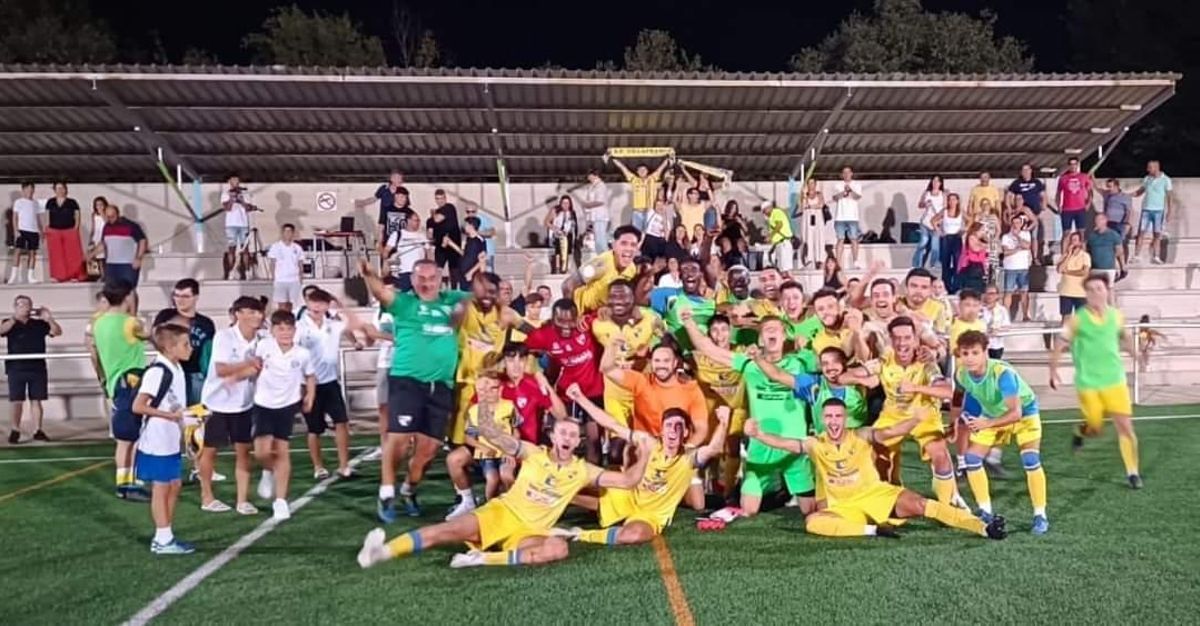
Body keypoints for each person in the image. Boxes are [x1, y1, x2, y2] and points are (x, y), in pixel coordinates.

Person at [356, 415, 652, 570]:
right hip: (501, 514)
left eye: (573, 435)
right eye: (562, 432)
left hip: (530, 531)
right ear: (552, 436)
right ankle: (382, 552)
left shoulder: (583, 470)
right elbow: (498, 437)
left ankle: (482, 560)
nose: (568, 438)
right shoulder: (533, 453)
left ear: (578, 442)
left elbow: (627, 481)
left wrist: (647, 453)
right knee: (443, 532)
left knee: (558, 549)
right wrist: (485, 411)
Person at [742, 400, 1007, 540]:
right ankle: (872, 531)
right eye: (829, 417)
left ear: (845, 419)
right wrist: (760, 434)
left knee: (922, 503)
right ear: (823, 419)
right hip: (845, 508)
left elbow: (891, 431)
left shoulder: (861, 435)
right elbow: (786, 443)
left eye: (838, 416)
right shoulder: (815, 443)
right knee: (813, 523)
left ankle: (982, 527)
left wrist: (915, 418)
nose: (834, 421)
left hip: (878, 495)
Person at [360, 258, 472, 522]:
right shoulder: (405, 303)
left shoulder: (453, 298)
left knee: (429, 450)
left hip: (442, 386)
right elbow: (380, 291)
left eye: (431, 278)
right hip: (407, 381)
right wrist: (369, 274)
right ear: (412, 280)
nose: (426, 283)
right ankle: (386, 493)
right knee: (398, 439)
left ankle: (409, 490)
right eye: (421, 278)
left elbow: (482, 293)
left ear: (440, 278)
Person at [683, 311, 818, 517]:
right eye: (766, 330)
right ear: (760, 339)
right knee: (748, 511)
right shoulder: (748, 364)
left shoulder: (800, 362)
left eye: (776, 329)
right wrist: (688, 322)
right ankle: (773, 494)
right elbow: (707, 348)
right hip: (760, 446)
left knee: (811, 512)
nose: (771, 333)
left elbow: (831, 364)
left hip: (794, 447)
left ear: (784, 336)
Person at [559, 390, 729, 545]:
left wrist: (723, 422)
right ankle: (556, 500)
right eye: (669, 425)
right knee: (576, 483)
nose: (673, 431)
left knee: (634, 535)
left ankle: (578, 534)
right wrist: (580, 398)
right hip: (628, 495)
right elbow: (612, 425)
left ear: (685, 433)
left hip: (649, 515)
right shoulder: (649, 442)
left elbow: (714, 448)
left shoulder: (688, 457)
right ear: (661, 430)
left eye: (679, 427)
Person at [1049, 274, 1143, 489]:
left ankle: (1132, 472)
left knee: (1126, 427)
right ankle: (1079, 431)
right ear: (1086, 294)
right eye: (1090, 290)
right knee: (1095, 427)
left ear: (1107, 290)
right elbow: (1059, 344)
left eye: (1099, 288)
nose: (1095, 293)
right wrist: (1053, 371)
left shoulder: (1116, 316)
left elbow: (1125, 336)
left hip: (1115, 380)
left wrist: (1136, 353)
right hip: (1088, 382)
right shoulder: (1077, 319)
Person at [951, 330, 1048, 534]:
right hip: (992, 415)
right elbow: (958, 396)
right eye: (965, 353)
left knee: (1030, 459)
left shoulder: (1002, 374)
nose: (969, 358)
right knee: (971, 458)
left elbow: (1015, 413)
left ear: (986, 352)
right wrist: (955, 420)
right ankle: (985, 512)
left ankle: (1040, 515)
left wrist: (986, 424)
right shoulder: (960, 373)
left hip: (1024, 414)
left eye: (975, 353)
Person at [861, 316, 959, 507]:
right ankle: (891, 495)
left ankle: (948, 503)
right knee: (876, 451)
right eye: (897, 338)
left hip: (924, 413)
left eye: (907, 338)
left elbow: (948, 389)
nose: (901, 342)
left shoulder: (925, 361)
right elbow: (862, 370)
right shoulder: (884, 357)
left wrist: (917, 385)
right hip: (892, 412)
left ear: (915, 339)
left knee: (939, 452)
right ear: (890, 338)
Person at [196, 296, 266, 515]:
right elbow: (221, 369)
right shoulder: (224, 337)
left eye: (259, 312)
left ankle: (242, 500)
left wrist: (248, 371)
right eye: (251, 312)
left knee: (244, 452)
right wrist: (249, 365)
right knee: (209, 452)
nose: (257, 316)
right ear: (238, 314)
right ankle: (207, 496)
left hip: (244, 404)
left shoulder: (262, 340)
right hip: (217, 403)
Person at [130, 323, 194, 554]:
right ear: (169, 347)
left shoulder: (176, 368)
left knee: (174, 485)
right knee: (162, 487)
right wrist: (172, 416)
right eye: (185, 344)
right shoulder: (158, 371)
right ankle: (163, 539)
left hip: (169, 437)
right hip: (157, 439)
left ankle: (164, 533)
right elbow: (138, 406)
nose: (191, 348)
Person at [519, 299, 606, 464]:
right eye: (561, 321)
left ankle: (593, 485)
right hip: (566, 394)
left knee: (593, 440)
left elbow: (606, 312)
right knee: (563, 439)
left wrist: (602, 312)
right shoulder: (544, 335)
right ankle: (561, 478)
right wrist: (536, 373)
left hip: (594, 392)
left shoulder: (587, 325)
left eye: (571, 320)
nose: (566, 326)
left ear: (577, 317)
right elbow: (523, 349)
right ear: (552, 318)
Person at [251, 309, 317, 521]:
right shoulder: (264, 347)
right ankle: (267, 471)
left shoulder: (302, 354)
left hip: (288, 405)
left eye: (289, 328)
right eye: (280, 328)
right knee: (261, 451)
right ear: (272, 331)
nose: (285, 333)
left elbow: (310, 376)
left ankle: (280, 501)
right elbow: (254, 367)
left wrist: (310, 397)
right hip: (263, 404)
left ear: (295, 330)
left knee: (282, 450)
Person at [295, 289, 362, 480]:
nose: (317, 307)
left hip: (330, 381)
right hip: (309, 384)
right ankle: (318, 467)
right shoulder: (299, 327)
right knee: (314, 428)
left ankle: (344, 465)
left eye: (322, 302)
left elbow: (353, 324)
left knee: (341, 422)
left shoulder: (333, 324)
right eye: (314, 302)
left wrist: (340, 304)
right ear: (307, 304)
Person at [93, 281, 149, 500]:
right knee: (131, 438)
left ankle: (125, 483)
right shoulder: (131, 323)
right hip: (132, 382)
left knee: (124, 438)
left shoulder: (99, 322)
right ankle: (129, 485)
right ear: (128, 297)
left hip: (115, 382)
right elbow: (151, 337)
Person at [445, 370, 519, 519]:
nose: (487, 393)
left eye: (493, 388)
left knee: (507, 477)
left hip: (506, 452)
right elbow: (469, 436)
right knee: (492, 479)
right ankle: (486, 507)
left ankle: (514, 507)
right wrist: (482, 447)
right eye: (483, 389)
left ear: (500, 389)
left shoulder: (508, 407)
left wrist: (512, 449)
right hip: (486, 454)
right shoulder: (474, 411)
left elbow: (516, 429)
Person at [2, 295, 61, 443]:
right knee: (16, 400)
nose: (24, 307)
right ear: (15, 307)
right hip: (16, 367)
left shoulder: (39, 324)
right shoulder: (9, 323)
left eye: (27, 304)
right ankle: (15, 429)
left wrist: (49, 318)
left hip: (37, 367)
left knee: (36, 400)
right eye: (21, 304)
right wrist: (15, 318)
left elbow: (56, 332)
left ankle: (37, 430)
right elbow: (2, 330)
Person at [152, 279, 216, 408]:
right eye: (177, 296)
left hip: (195, 374)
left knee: (195, 414)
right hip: (171, 371)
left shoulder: (206, 323)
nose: (180, 300)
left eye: (185, 296)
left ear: (196, 297)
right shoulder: (166, 316)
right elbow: (155, 338)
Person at [563, 225, 641, 315]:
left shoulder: (632, 269)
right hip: (584, 315)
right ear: (614, 245)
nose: (628, 249)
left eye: (633, 245)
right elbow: (568, 286)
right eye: (623, 243)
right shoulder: (601, 263)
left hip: (604, 314)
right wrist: (570, 316)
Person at [1006, 163, 1056, 264]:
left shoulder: (1037, 182)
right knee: (1018, 236)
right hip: (1020, 215)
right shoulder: (1016, 183)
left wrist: (1044, 205)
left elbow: (1043, 195)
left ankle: (1035, 258)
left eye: (1027, 170)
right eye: (1023, 170)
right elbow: (1008, 196)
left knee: (1034, 237)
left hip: (1034, 213)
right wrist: (1009, 208)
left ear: (1031, 171)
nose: (1025, 172)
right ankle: (1017, 256)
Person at [97, 204, 148, 293]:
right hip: (111, 265)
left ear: (117, 214)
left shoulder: (130, 225)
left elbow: (142, 240)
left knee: (128, 291)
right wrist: (91, 254)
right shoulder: (106, 227)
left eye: (112, 216)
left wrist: (138, 257)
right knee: (111, 292)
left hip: (127, 264)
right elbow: (103, 244)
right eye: (108, 217)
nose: (110, 219)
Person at [1130, 160, 1172, 265]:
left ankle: (1156, 256)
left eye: (1150, 167)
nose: (1148, 169)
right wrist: (1130, 194)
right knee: (1141, 232)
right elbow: (1141, 191)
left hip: (1158, 210)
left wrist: (1169, 212)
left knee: (1157, 234)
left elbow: (1169, 196)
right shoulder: (1147, 179)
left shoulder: (1166, 180)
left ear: (1156, 167)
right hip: (1146, 209)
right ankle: (1137, 256)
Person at [611, 157, 670, 233]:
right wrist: (613, 158)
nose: (642, 171)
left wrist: (667, 160)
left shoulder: (652, 178)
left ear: (647, 171)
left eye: (644, 170)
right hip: (637, 212)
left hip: (649, 212)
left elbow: (660, 168)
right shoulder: (634, 180)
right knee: (637, 233)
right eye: (640, 170)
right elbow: (623, 168)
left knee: (649, 233)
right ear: (637, 172)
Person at [43, 181, 87, 283]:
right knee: (56, 255)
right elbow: (47, 216)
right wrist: (47, 229)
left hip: (69, 230)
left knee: (73, 254)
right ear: (54, 190)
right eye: (57, 188)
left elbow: (77, 216)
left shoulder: (72, 202)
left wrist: (75, 229)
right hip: (54, 231)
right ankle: (58, 276)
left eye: (62, 188)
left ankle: (74, 275)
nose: (60, 191)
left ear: (66, 189)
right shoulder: (50, 202)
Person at [220, 173, 257, 280]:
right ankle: (230, 272)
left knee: (245, 248)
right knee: (232, 248)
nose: (236, 182)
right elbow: (227, 208)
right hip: (230, 224)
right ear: (230, 182)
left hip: (243, 224)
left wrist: (241, 200)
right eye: (233, 180)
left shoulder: (245, 193)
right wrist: (232, 199)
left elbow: (249, 208)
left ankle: (246, 271)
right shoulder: (225, 193)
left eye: (237, 180)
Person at [385, 211, 431, 292]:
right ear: (408, 221)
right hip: (403, 273)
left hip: (419, 273)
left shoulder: (422, 236)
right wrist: (388, 265)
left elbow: (429, 254)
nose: (417, 223)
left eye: (418, 221)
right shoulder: (397, 234)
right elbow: (386, 251)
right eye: (415, 220)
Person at [1000, 214, 1033, 322]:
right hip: (1010, 268)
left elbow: (1027, 246)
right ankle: (1005, 317)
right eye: (1014, 223)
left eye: (1018, 223)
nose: (1016, 225)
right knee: (1008, 292)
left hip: (1023, 267)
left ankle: (1025, 315)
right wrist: (1018, 248)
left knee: (1024, 292)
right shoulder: (1005, 237)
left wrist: (1018, 237)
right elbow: (1006, 252)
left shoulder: (1026, 234)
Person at [8, 182, 42, 284]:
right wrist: (16, 230)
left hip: (34, 230)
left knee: (32, 253)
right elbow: (15, 217)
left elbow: (38, 218)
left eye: (32, 189)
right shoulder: (19, 202)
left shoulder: (36, 203)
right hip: (22, 230)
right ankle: (13, 276)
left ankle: (30, 277)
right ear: (23, 190)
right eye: (28, 189)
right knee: (17, 252)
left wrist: (41, 230)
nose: (30, 191)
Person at [267, 224, 305, 311]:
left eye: (290, 232)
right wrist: (273, 277)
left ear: (293, 233)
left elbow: (300, 264)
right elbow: (272, 263)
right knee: (282, 304)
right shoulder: (275, 247)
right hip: (280, 279)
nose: (288, 234)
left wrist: (301, 277)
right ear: (282, 233)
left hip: (294, 280)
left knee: (292, 305)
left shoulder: (297, 248)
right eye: (286, 231)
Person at [831, 166, 863, 269]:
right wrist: (843, 192)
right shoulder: (837, 185)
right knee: (840, 239)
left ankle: (855, 261)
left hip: (853, 217)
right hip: (840, 216)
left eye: (848, 172)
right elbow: (835, 198)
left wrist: (850, 190)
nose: (846, 174)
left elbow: (857, 197)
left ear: (851, 174)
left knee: (854, 238)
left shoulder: (857, 184)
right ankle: (838, 263)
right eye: (844, 173)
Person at [1056, 231, 1091, 321]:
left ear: (1079, 242)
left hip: (1080, 292)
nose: (1072, 242)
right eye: (1071, 240)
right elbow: (1060, 269)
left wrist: (1068, 272)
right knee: (1066, 316)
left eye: (1075, 240)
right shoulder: (1065, 255)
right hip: (1066, 291)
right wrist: (1068, 255)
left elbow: (1084, 272)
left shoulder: (1085, 256)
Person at [933, 193, 965, 292]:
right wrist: (939, 231)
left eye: (954, 199)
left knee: (957, 262)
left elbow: (970, 220)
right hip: (946, 238)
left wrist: (964, 230)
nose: (952, 202)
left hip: (956, 238)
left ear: (957, 201)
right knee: (945, 262)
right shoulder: (945, 211)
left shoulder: (961, 212)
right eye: (950, 200)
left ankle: (956, 286)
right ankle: (946, 286)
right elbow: (933, 221)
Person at [913, 175, 946, 269]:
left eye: (937, 181)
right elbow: (920, 205)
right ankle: (916, 264)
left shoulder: (943, 194)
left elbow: (945, 208)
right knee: (923, 243)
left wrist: (940, 218)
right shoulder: (927, 193)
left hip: (936, 223)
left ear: (941, 183)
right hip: (926, 222)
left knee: (935, 246)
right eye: (934, 181)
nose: (935, 183)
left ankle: (933, 264)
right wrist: (925, 204)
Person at [1087, 213, 1125, 290]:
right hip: (1094, 268)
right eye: (1096, 220)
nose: (1096, 222)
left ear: (1105, 221)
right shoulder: (1091, 236)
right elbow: (1087, 250)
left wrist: (1122, 266)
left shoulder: (1113, 235)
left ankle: (1111, 302)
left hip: (1108, 268)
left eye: (1099, 220)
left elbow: (1120, 251)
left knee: (1109, 290)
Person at [1056, 157, 1093, 235]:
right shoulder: (1063, 178)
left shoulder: (1084, 177)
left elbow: (1090, 191)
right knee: (1066, 233)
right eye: (1071, 164)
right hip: (1067, 209)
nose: (1073, 166)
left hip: (1080, 208)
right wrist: (1058, 205)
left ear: (1078, 165)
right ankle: (1064, 247)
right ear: (1068, 166)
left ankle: (1082, 247)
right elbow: (1058, 193)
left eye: (1075, 164)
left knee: (1081, 232)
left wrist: (1088, 203)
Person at [580, 170, 612, 252]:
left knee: (601, 239)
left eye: (590, 175)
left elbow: (600, 201)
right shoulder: (592, 186)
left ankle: (604, 257)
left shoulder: (601, 186)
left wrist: (588, 205)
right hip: (594, 216)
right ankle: (600, 257)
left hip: (600, 216)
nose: (588, 178)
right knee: (597, 239)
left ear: (596, 176)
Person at [798, 178, 826, 268]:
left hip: (817, 218)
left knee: (819, 238)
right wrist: (804, 196)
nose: (811, 185)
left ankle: (820, 260)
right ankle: (808, 259)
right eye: (809, 183)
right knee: (808, 238)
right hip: (807, 219)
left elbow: (821, 205)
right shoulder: (804, 195)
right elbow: (802, 207)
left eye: (813, 183)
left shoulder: (819, 194)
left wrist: (811, 206)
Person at [981, 284, 1011, 361]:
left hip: (996, 345)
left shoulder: (1002, 310)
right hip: (982, 345)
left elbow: (1007, 326)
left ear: (997, 295)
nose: (990, 296)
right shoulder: (980, 309)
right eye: (987, 293)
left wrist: (997, 330)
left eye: (992, 293)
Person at [1101, 178, 1133, 245]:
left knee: (1119, 243)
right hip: (1108, 223)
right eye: (1107, 187)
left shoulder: (1125, 197)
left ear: (1116, 186)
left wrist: (1126, 223)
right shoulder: (1107, 195)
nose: (1108, 189)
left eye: (1110, 187)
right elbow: (1097, 189)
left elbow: (1128, 211)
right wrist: (1093, 178)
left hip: (1119, 223)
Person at [766, 202, 795, 272]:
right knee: (781, 269)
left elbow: (779, 225)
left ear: (769, 208)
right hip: (779, 244)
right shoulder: (771, 216)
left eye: (765, 210)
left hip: (784, 244)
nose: (764, 213)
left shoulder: (776, 212)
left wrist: (770, 236)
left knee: (786, 270)